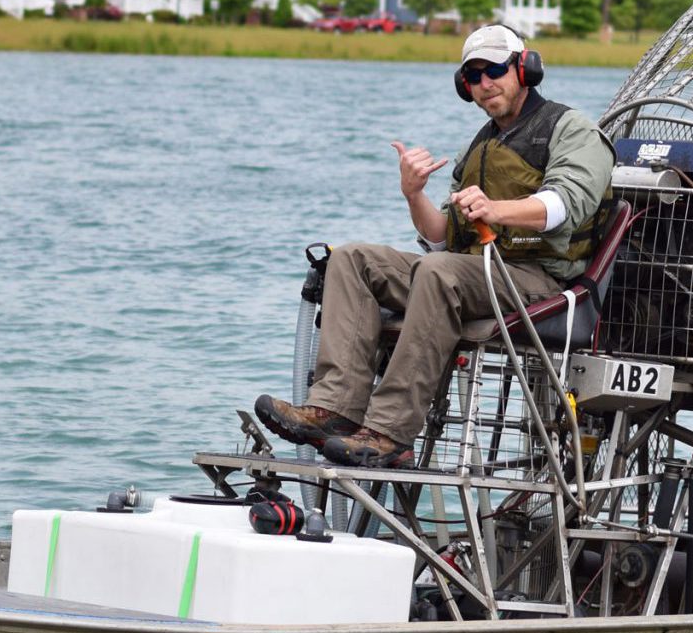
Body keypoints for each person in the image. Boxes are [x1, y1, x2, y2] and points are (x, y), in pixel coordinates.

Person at [254, 25, 616, 469]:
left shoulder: (571, 129)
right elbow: (444, 237)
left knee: (438, 271)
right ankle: (335, 410)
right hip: (467, 273)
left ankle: (389, 432)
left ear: (525, 69)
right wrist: (414, 193)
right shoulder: (479, 148)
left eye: (495, 71)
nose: (485, 84)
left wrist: (496, 210)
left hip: (541, 283)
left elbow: (567, 203)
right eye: (473, 78)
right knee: (351, 260)